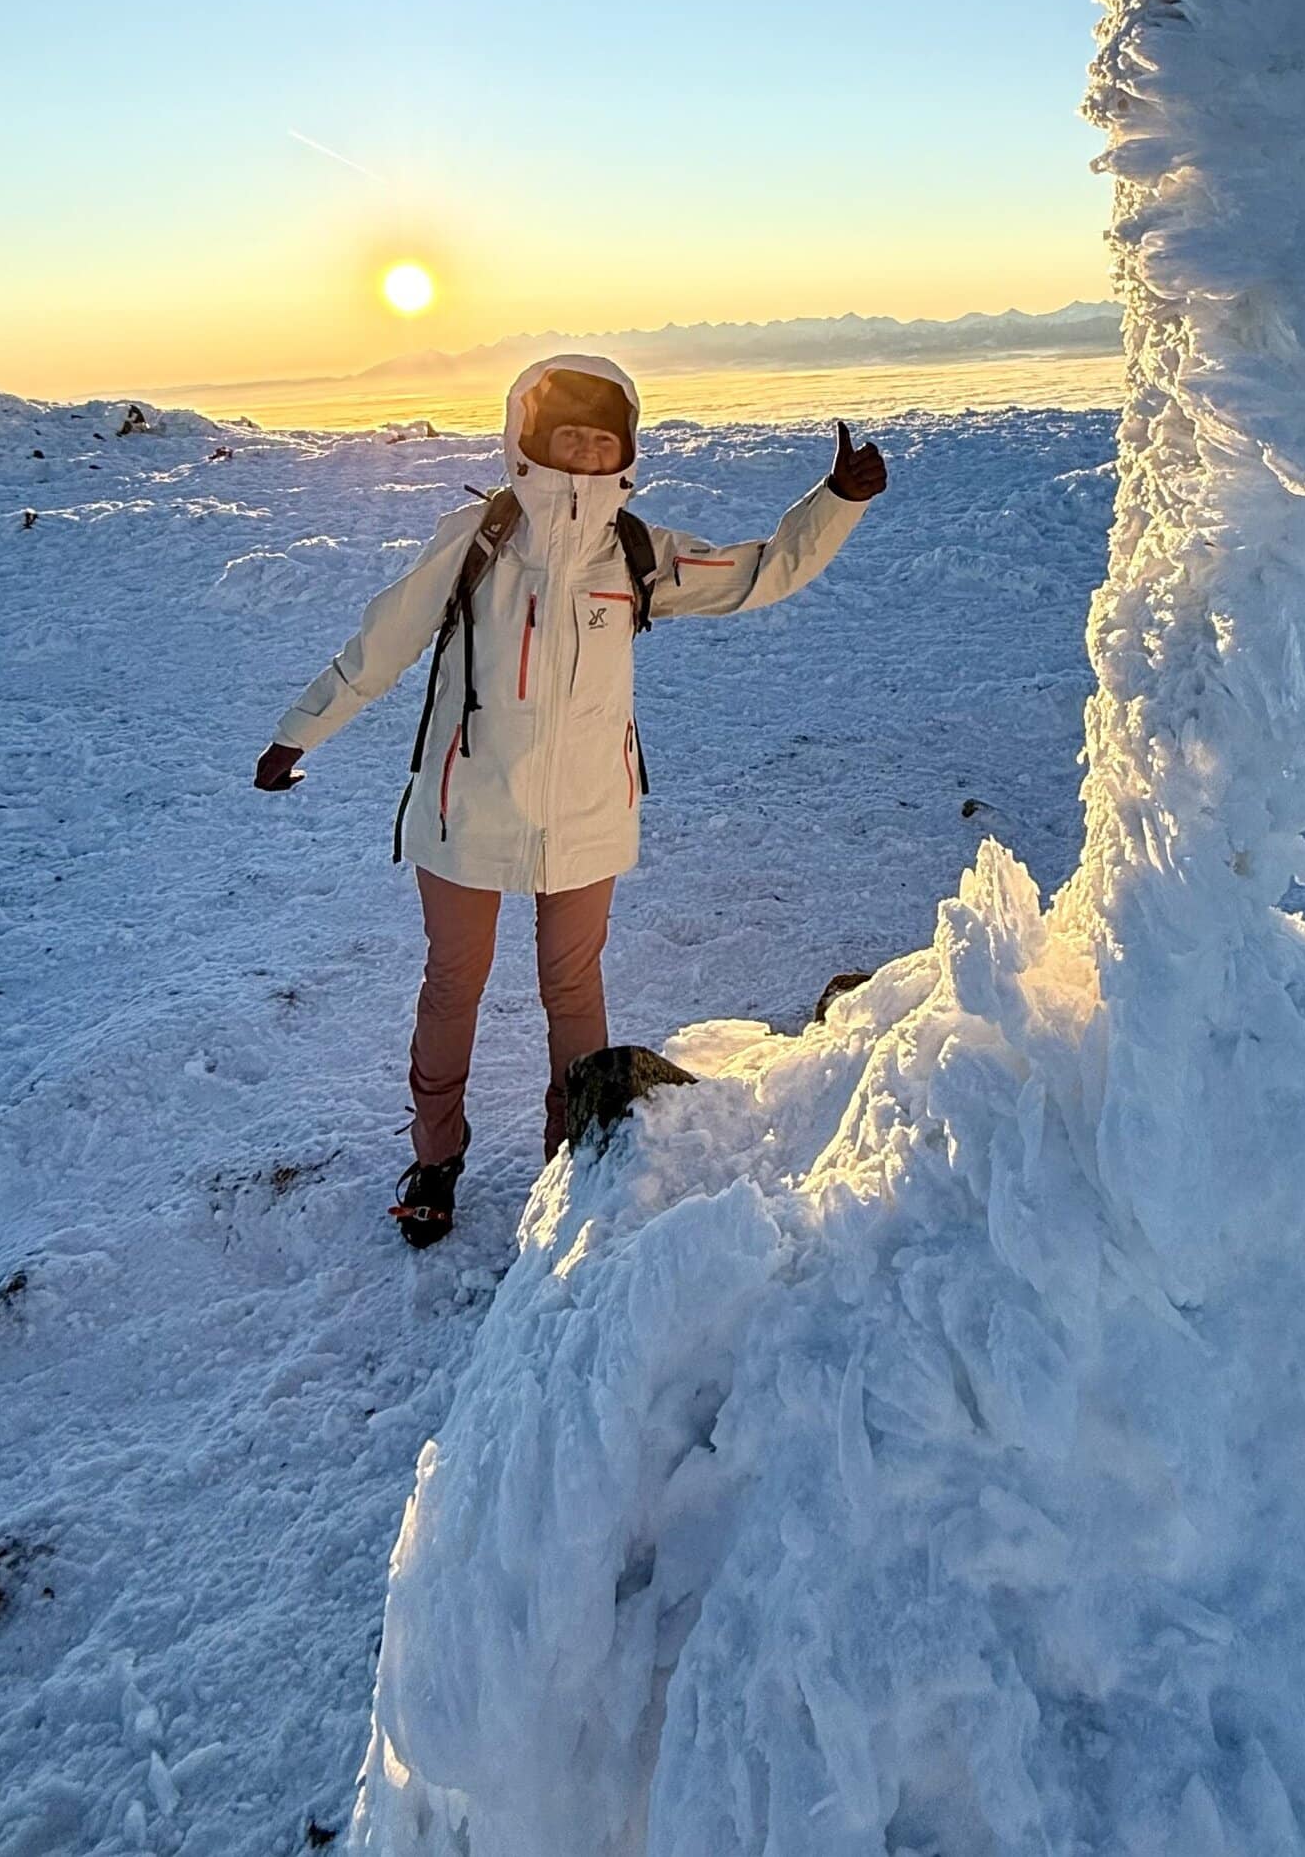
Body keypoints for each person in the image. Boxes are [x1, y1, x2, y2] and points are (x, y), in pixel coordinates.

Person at [254, 354, 886, 1246]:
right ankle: (435, 1158)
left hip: (586, 814)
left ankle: (576, 1154)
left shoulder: (633, 552)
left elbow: (756, 573)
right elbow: (381, 644)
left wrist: (836, 502)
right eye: (569, 437)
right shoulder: (476, 540)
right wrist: (299, 731)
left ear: (623, 449)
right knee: (453, 986)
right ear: (530, 441)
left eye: (601, 439)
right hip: (467, 810)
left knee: (573, 987)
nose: (586, 453)